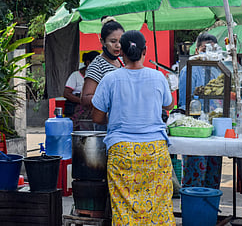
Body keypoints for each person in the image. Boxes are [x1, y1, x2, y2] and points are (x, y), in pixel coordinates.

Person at [91, 30, 175, 225]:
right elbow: (169, 105)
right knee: (158, 207)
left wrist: (115, 117)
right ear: (145, 51)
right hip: (155, 151)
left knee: (124, 208)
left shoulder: (110, 79)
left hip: (122, 151)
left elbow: (97, 116)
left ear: (122, 53)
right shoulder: (158, 77)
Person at [179, 33, 222, 189]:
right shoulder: (189, 70)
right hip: (195, 128)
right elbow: (184, 102)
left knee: (213, 169)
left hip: (215, 126)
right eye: (204, 49)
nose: (208, 53)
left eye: (212, 49)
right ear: (197, 50)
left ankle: (210, 208)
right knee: (195, 169)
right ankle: (192, 206)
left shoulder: (219, 69)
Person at [81, 16, 125, 131]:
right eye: (113, 41)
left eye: (121, 41)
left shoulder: (122, 61)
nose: (118, 45)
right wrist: (110, 100)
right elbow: (85, 98)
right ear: (102, 41)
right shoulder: (97, 65)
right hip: (105, 125)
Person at [63, 51, 100, 130]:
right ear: (88, 62)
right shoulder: (75, 75)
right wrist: (82, 100)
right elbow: (66, 93)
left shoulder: (99, 76)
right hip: (76, 108)